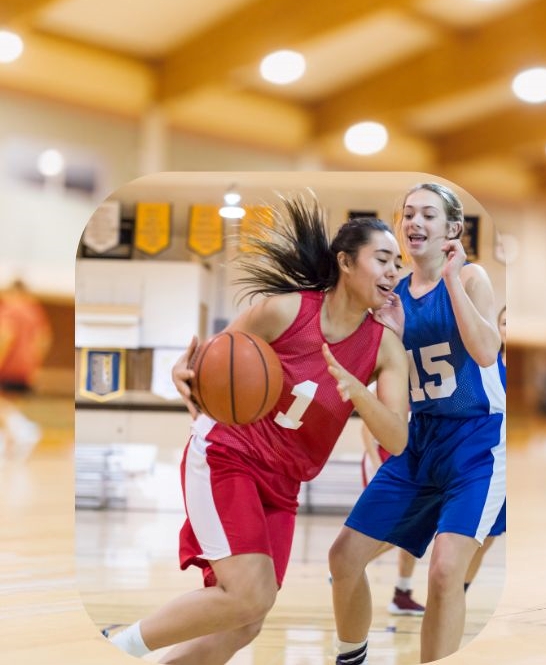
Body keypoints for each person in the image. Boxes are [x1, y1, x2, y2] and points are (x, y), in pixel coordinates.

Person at [105, 198, 410, 664]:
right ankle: (119, 646)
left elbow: (397, 439)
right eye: (382, 260)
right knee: (248, 596)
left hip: (283, 481)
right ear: (345, 262)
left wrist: (359, 392)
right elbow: (208, 363)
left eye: (397, 265)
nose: (392, 273)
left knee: (246, 622)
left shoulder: (385, 347)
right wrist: (181, 369)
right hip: (228, 454)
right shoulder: (284, 311)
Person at [329, 182, 505, 664]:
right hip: (420, 440)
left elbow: (486, 352)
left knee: (446, 572)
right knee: (343, 558)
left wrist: (450, 279)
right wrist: (396, 340)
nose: (414, 223)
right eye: (408, 214)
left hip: (476, 442)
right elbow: (392, 391)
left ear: (452, 228)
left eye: (428, 214)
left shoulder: (471, 280)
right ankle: (352, 655)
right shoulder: (392, 296)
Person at [356, 421, 426, 616]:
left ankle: (402, 594)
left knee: (417, 529)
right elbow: (366, 429)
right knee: (403, 527)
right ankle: (350, 563)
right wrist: (377, 463)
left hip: (413, 460)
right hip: (384, 458)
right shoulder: (380, 389)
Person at [464, 306, 507, 593]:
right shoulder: (486, 363)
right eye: (505, 322)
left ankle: (460, 590)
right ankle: (357, 559)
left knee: (489, 537)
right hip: (483, 459)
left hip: (511, 467)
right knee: (469, 535)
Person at [0, 277, 50, 457]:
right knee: (9, 404)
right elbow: (43, 339)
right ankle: (11, 440)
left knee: (4, 405)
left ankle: (25, 429)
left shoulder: (9, 310)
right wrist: (35, 364)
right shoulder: (34, 311)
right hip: (27, 366)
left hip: (8, 364)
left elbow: (5, 336)